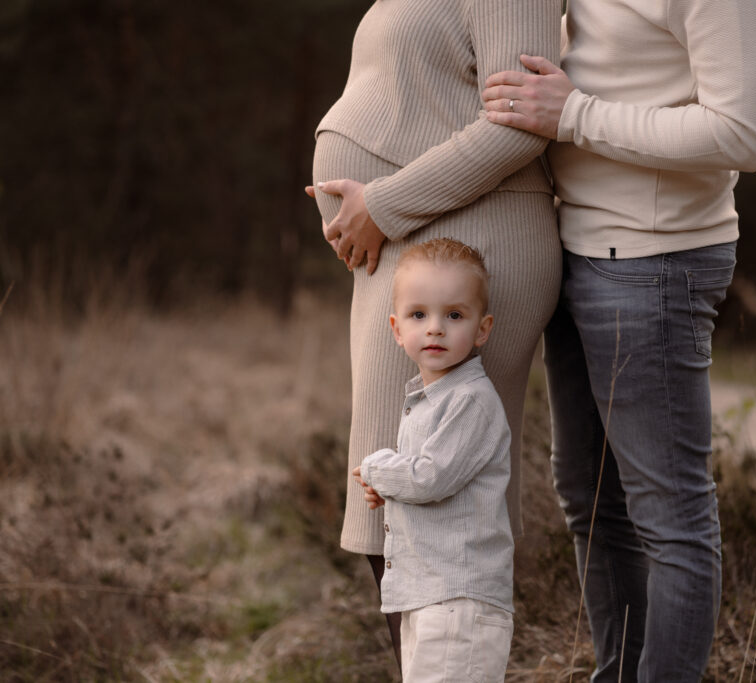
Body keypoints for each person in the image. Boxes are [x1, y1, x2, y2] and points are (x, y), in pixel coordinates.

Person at [481, 1, 756, 680]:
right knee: (587, 493)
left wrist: (575, 114)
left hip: (655, 260)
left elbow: (744, 133)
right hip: (573, 248)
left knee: (668, 512)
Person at [306, 0, 561, 666]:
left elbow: (517, 126)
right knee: (390, 514)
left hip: (466, 245)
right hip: (416, 244)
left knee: (431, 510)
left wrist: (382, 204)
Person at [352, 238, 515, 682]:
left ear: (482, 329)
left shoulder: (470, 401)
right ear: (396, 328)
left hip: (459, 602)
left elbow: (429, 479)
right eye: (419, 315)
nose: (436, 328)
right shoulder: (428, 401)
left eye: (455, 315)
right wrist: (391, 488)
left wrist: (377, 469)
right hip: (431, 597)